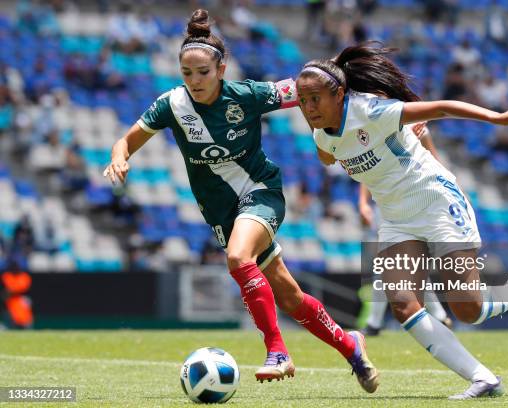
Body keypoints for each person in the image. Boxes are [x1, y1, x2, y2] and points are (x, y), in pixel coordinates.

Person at [103, 9, 378, 392]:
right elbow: (126, 140)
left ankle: (277, 351)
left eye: (203, 72)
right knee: (290, 296)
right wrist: (119, 157)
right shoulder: (173, 105)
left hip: (260, 192)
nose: (195, 81)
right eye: (187, 74)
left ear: (221, 68)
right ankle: (351, 346)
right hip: (220, 212)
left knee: (237, 258)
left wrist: (350, 94)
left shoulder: (247, 95)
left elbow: (303, 89)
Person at [295, 43, 508, 400]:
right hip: (396, 218)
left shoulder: (371, 110)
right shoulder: (321, 133)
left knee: (467, 309)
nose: (309, 108)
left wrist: (496, 118)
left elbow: (443, 108)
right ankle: (484, 379)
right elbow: (328, 153)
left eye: (315, 99)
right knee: (402, 302)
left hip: (435, 200)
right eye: (302, 100)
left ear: (339, 93)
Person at [359, 123, 452, 336]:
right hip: (389, 205)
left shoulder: (419, 129)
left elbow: (436, 163)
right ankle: (439, 317)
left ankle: (374, 324)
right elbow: (369, 171)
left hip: (417, 204)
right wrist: (363, 203)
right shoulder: (381, 128)